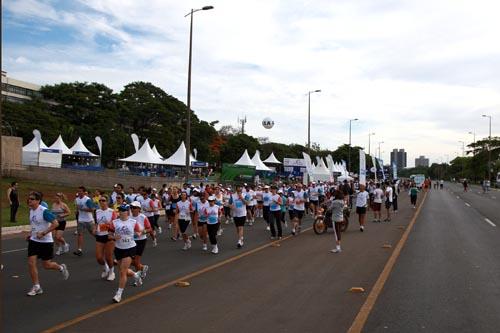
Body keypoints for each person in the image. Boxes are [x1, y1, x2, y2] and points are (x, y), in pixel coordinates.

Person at [26, 191, 69, 296]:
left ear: (38, 201)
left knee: (47, 265)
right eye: (29, 199)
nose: (29, 200)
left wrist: (44, 233)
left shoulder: (44, 211)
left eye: (32, 199)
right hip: (34, 240)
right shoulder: (31, 210)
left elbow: (56, 223)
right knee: (31, 262)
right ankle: (37, 287)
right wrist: (30, 233)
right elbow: (34, 224)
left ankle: (61, 268)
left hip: (46, 242)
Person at [108, 204, 143, 303]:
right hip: (119, 248)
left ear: (127, 211)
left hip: (130, 248)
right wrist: (113, 237)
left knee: (122, 272)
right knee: (124, 270)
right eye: (120, 210)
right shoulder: (114, 223)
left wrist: (137, 234)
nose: (121, 212)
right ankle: (136, 275)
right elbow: (109, 235)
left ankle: (118, 294)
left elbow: (139, 231)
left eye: (123, 210)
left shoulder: (133, 222)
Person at [95, 195, 117, 281]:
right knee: (99, 258)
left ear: (107, 202)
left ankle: (112, 272)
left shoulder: (112, 212)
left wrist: (107, 225)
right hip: (99, 235)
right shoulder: (97, 212)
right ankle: (105, 267)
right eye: (100, 201)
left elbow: (115, 223)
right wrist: (94, 228)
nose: (101, 202)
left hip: (109, 236)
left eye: (103, 200)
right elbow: (96, 223)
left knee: (108, 257)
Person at [130, 201, 151, 282]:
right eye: (131, 207)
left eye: (134, 208)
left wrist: (142, 232)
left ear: (139, 209)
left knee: (136, 261)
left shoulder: (143, 217)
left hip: (141, 240)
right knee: (128, 261)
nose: (132, 209)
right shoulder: (129, 217)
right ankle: (142, 267)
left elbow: (149, 229)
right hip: (131, 241)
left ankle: (138, 278)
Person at [74, 186, 96, 256]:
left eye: (81, 191)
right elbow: (77, 207)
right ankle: (79, 249)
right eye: (78, 191)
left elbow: (92, 209)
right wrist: (77, 211)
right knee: (80, 234)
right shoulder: (77, 199)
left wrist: (83, 209)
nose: (79, 192)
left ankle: (102, 241)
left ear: (84, 192)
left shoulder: (87, 200)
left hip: (89, 220)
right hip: (81, 220)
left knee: (93, 233)